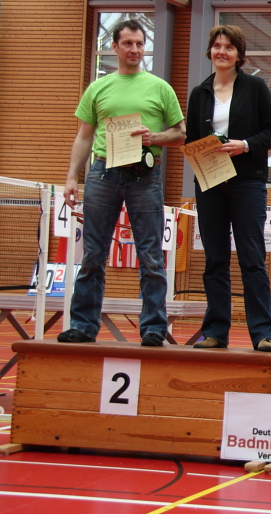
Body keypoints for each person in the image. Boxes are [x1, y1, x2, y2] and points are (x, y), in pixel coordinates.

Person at [57, 19, 186, 346]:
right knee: (92, 253)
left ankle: (153, 328)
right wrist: (72, 177)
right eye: (128, 43)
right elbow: (84, 137)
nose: (135, 49)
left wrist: (153, 137)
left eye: (140, 43)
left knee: (151, 255)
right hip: (103, 173)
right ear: (114, 47)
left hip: (145, 174)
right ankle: (83, 325)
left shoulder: (160, 88)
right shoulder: (97, 88)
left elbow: (181, 133)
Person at [186, 25, 271, 352]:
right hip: (210, 182)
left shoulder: (255, 87)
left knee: (252, 258)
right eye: (217, 46)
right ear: (210, 51)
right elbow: (191, 139)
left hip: (247, 181)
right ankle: (215, 331)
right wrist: (202, 151)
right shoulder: (199, 93)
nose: (221, 51)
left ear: (239, 54)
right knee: (215, 259)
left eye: (228, 46)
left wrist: (245, 145)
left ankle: (263, 333)